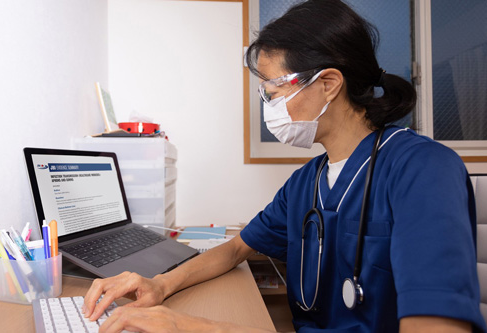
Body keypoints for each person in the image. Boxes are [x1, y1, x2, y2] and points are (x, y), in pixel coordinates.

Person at [81, 0, 486, 332]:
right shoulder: (305, 184)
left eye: (273, 91)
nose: (269, 108)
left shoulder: (424, 170)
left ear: (328, 83)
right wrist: (159, 285)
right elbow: (237, 248)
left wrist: (196, 327)